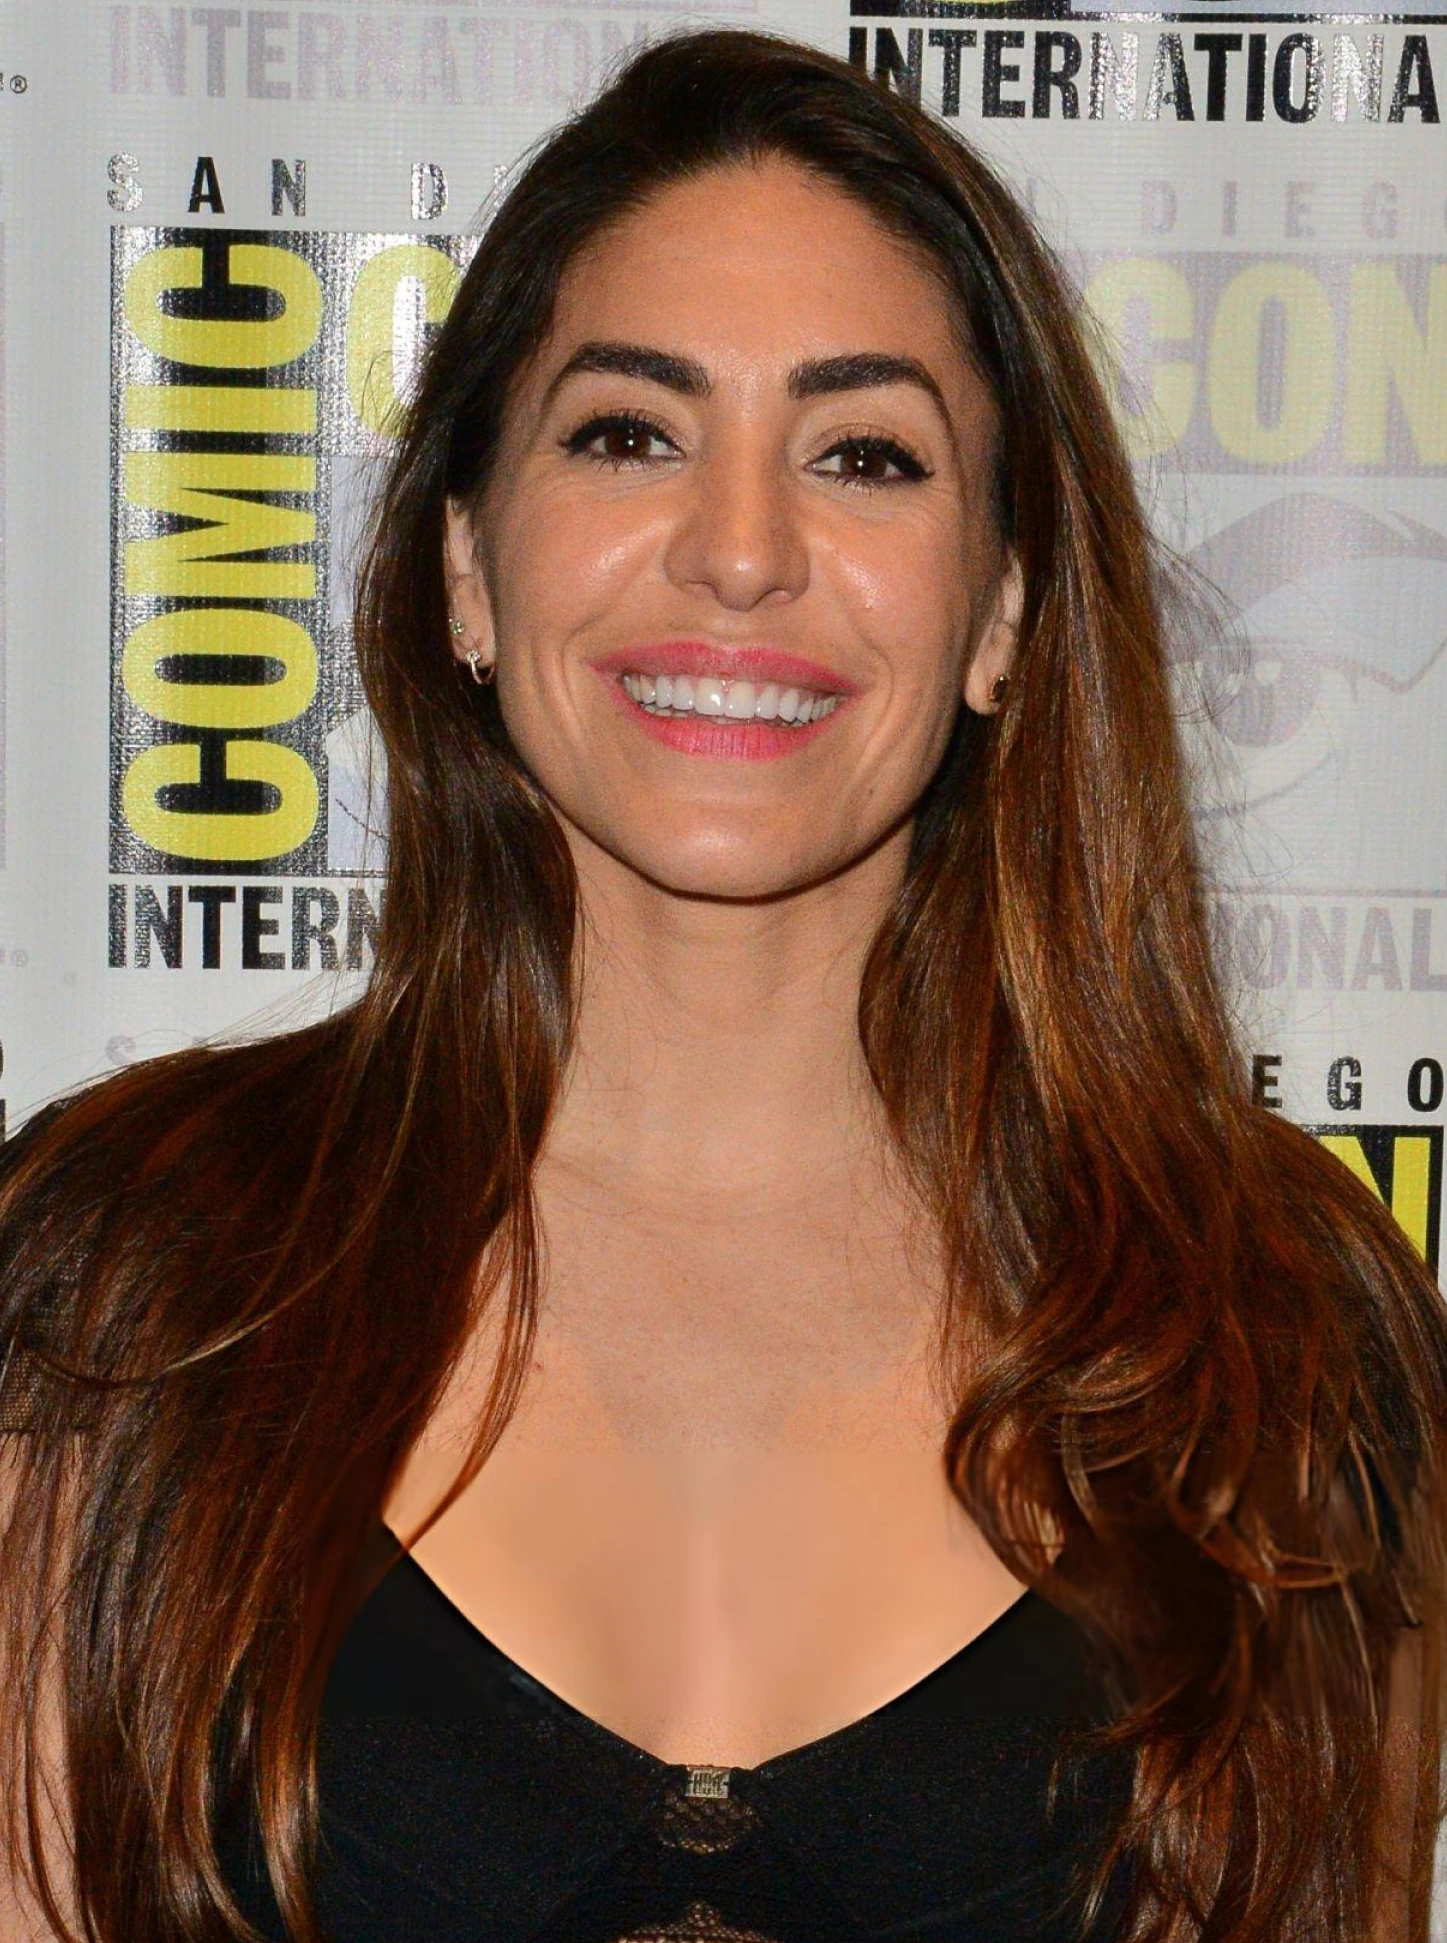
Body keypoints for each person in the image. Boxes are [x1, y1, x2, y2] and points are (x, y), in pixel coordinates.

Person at [1, 28, 1444, 1943]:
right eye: (628, 433)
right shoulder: (127, 1281)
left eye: (864, 454)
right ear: (465, 566)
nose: (742, 552)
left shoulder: (1272, 1328)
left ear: (1002, 610)